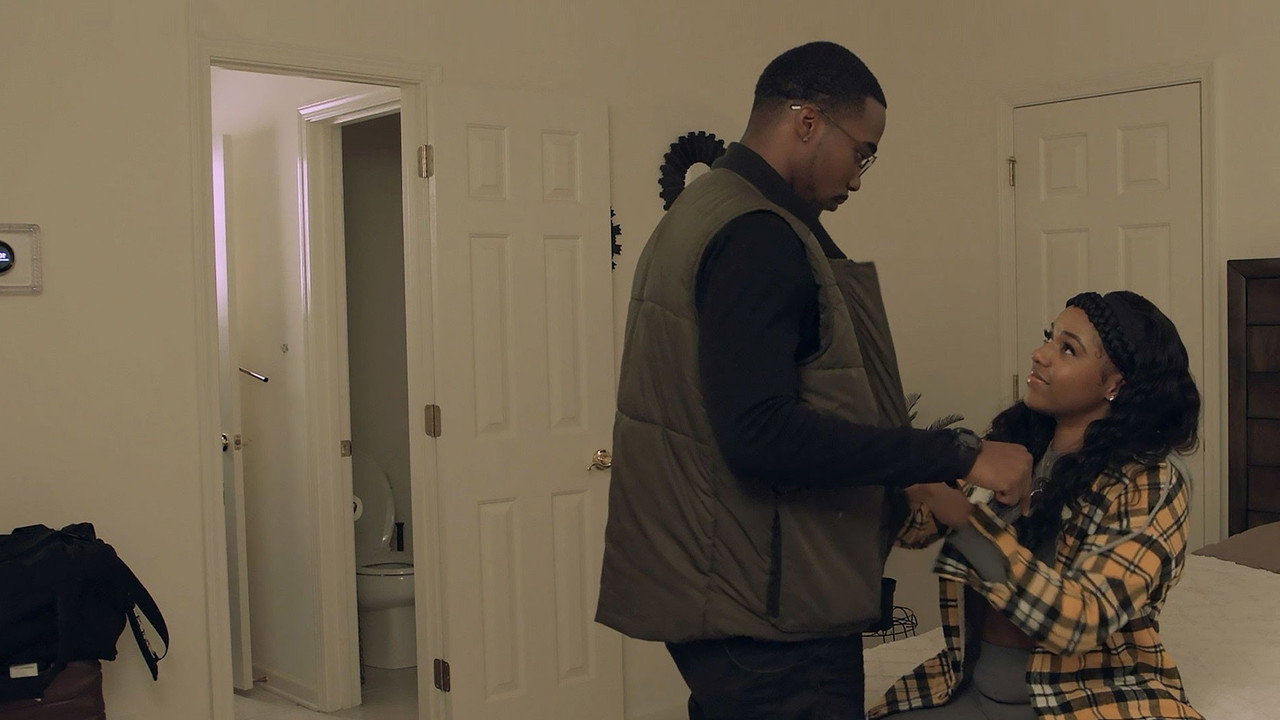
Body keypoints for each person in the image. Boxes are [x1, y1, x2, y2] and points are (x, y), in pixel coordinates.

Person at [595, 41, 1032, 720]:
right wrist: (958, 454)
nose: (858, 179)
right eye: (862, 153)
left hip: (724, 592)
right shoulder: (758, 235)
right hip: (772, 615)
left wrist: (913, 482)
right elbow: (760, 435)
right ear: (806, 122)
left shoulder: (707, 208)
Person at [870, 291, 1204, 720]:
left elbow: (1083, 621)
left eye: (1068, 349)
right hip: (971, 688)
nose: (1040, 354)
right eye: (1049, 337)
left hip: (1082, 703)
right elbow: (915, 528)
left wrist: (966, 521)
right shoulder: (1015, 445)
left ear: (1115, 384)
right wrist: (919, 471)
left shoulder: (1150, 481)